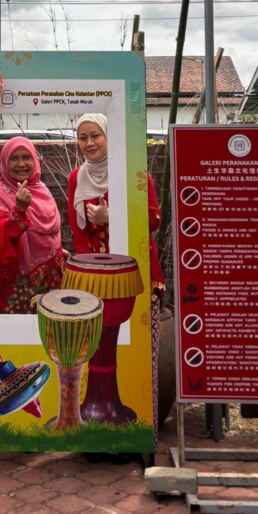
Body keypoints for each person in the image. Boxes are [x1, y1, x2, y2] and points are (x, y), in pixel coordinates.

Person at [67, 113, 166, 447]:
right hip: (95, 279)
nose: (89, 143)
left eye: (95, 135)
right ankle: (97, 413)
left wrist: (114, 216)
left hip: (136, 274)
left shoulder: (133, 173)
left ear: (110, 137)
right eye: (83, 137)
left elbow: (153, 219)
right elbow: (77, 231)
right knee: (97, 346)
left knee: (139, 345)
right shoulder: (76, 178)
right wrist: (92, 272)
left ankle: (140, 425)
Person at [0, 137, 65, 314]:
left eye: (26, 157)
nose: (21, 164)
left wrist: (56, 250)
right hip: (18, 285)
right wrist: (18, 211)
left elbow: (49, 233)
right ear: (5, 162)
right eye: (14, 158)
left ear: (35, 160)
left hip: (51, 278)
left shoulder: (42, 189)